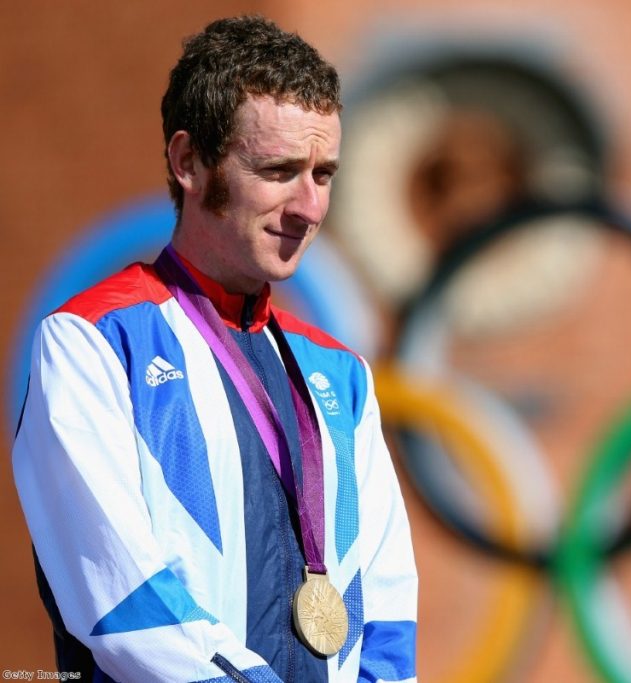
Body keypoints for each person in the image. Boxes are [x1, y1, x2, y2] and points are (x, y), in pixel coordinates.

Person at [12, 16, 417, 683]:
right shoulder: (91, 344)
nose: (309, 206)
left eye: (324, 173)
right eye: (280, 170)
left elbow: (389, 617)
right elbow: (125, 608)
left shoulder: (340, 375)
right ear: (188, 162)